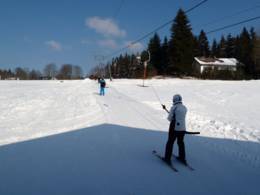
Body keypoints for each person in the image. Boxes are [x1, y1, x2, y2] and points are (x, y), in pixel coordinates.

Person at [162, 94, 187, 165]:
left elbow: (170, 119)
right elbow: (178, 116)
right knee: (181, 143)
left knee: (170, 142)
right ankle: (182, 157)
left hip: (174, 128)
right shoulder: (184, 107)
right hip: (182, 128)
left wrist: (171, 113)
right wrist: (166, 109)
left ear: (174, 100)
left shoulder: (174, 107)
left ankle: (167, 158)